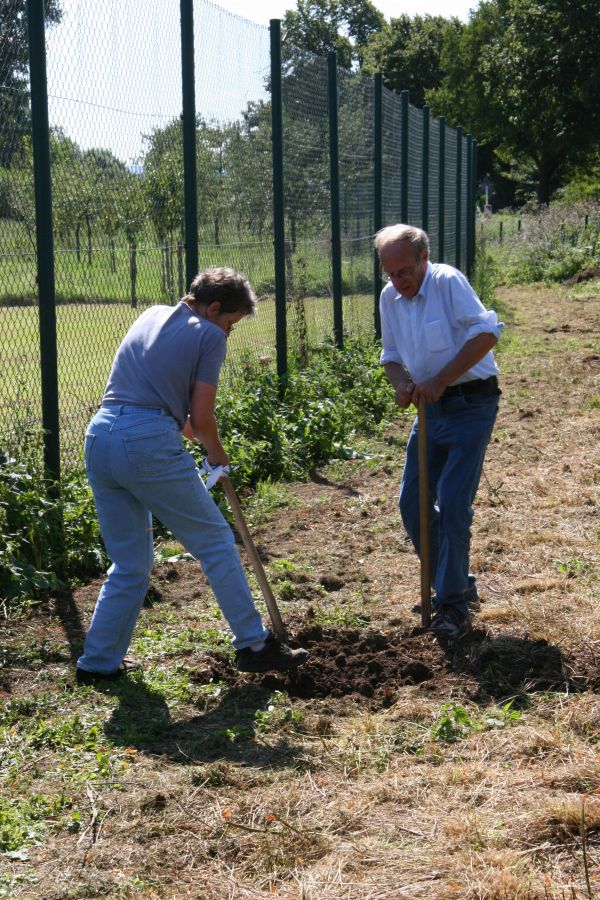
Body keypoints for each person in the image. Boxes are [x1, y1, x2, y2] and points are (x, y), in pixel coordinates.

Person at [76, 267, 308, 684]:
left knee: (129, 563)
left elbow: (175, 413)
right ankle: (254, 644)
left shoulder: (149, 315)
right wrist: (217, 455)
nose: (229, 334)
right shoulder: (208, 335)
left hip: (100, 436)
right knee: (216, 541)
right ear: (214, 308)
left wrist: (197, 435)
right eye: (230, 324)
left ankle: (98, 663)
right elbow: (200, 419)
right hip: (145, 442)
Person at [375, 225, 504, 644]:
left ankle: (452, 606)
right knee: (412, 502)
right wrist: (401, 385)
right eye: (390, 273)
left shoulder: (447, 282)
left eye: (405, 271)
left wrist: (442, 380)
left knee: (451, 503)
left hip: (471, 404)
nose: (399, 281)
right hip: (430, 410)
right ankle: (455, 583)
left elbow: (486, 333)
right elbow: (392, 357)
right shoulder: (389, 298)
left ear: (424, 258)